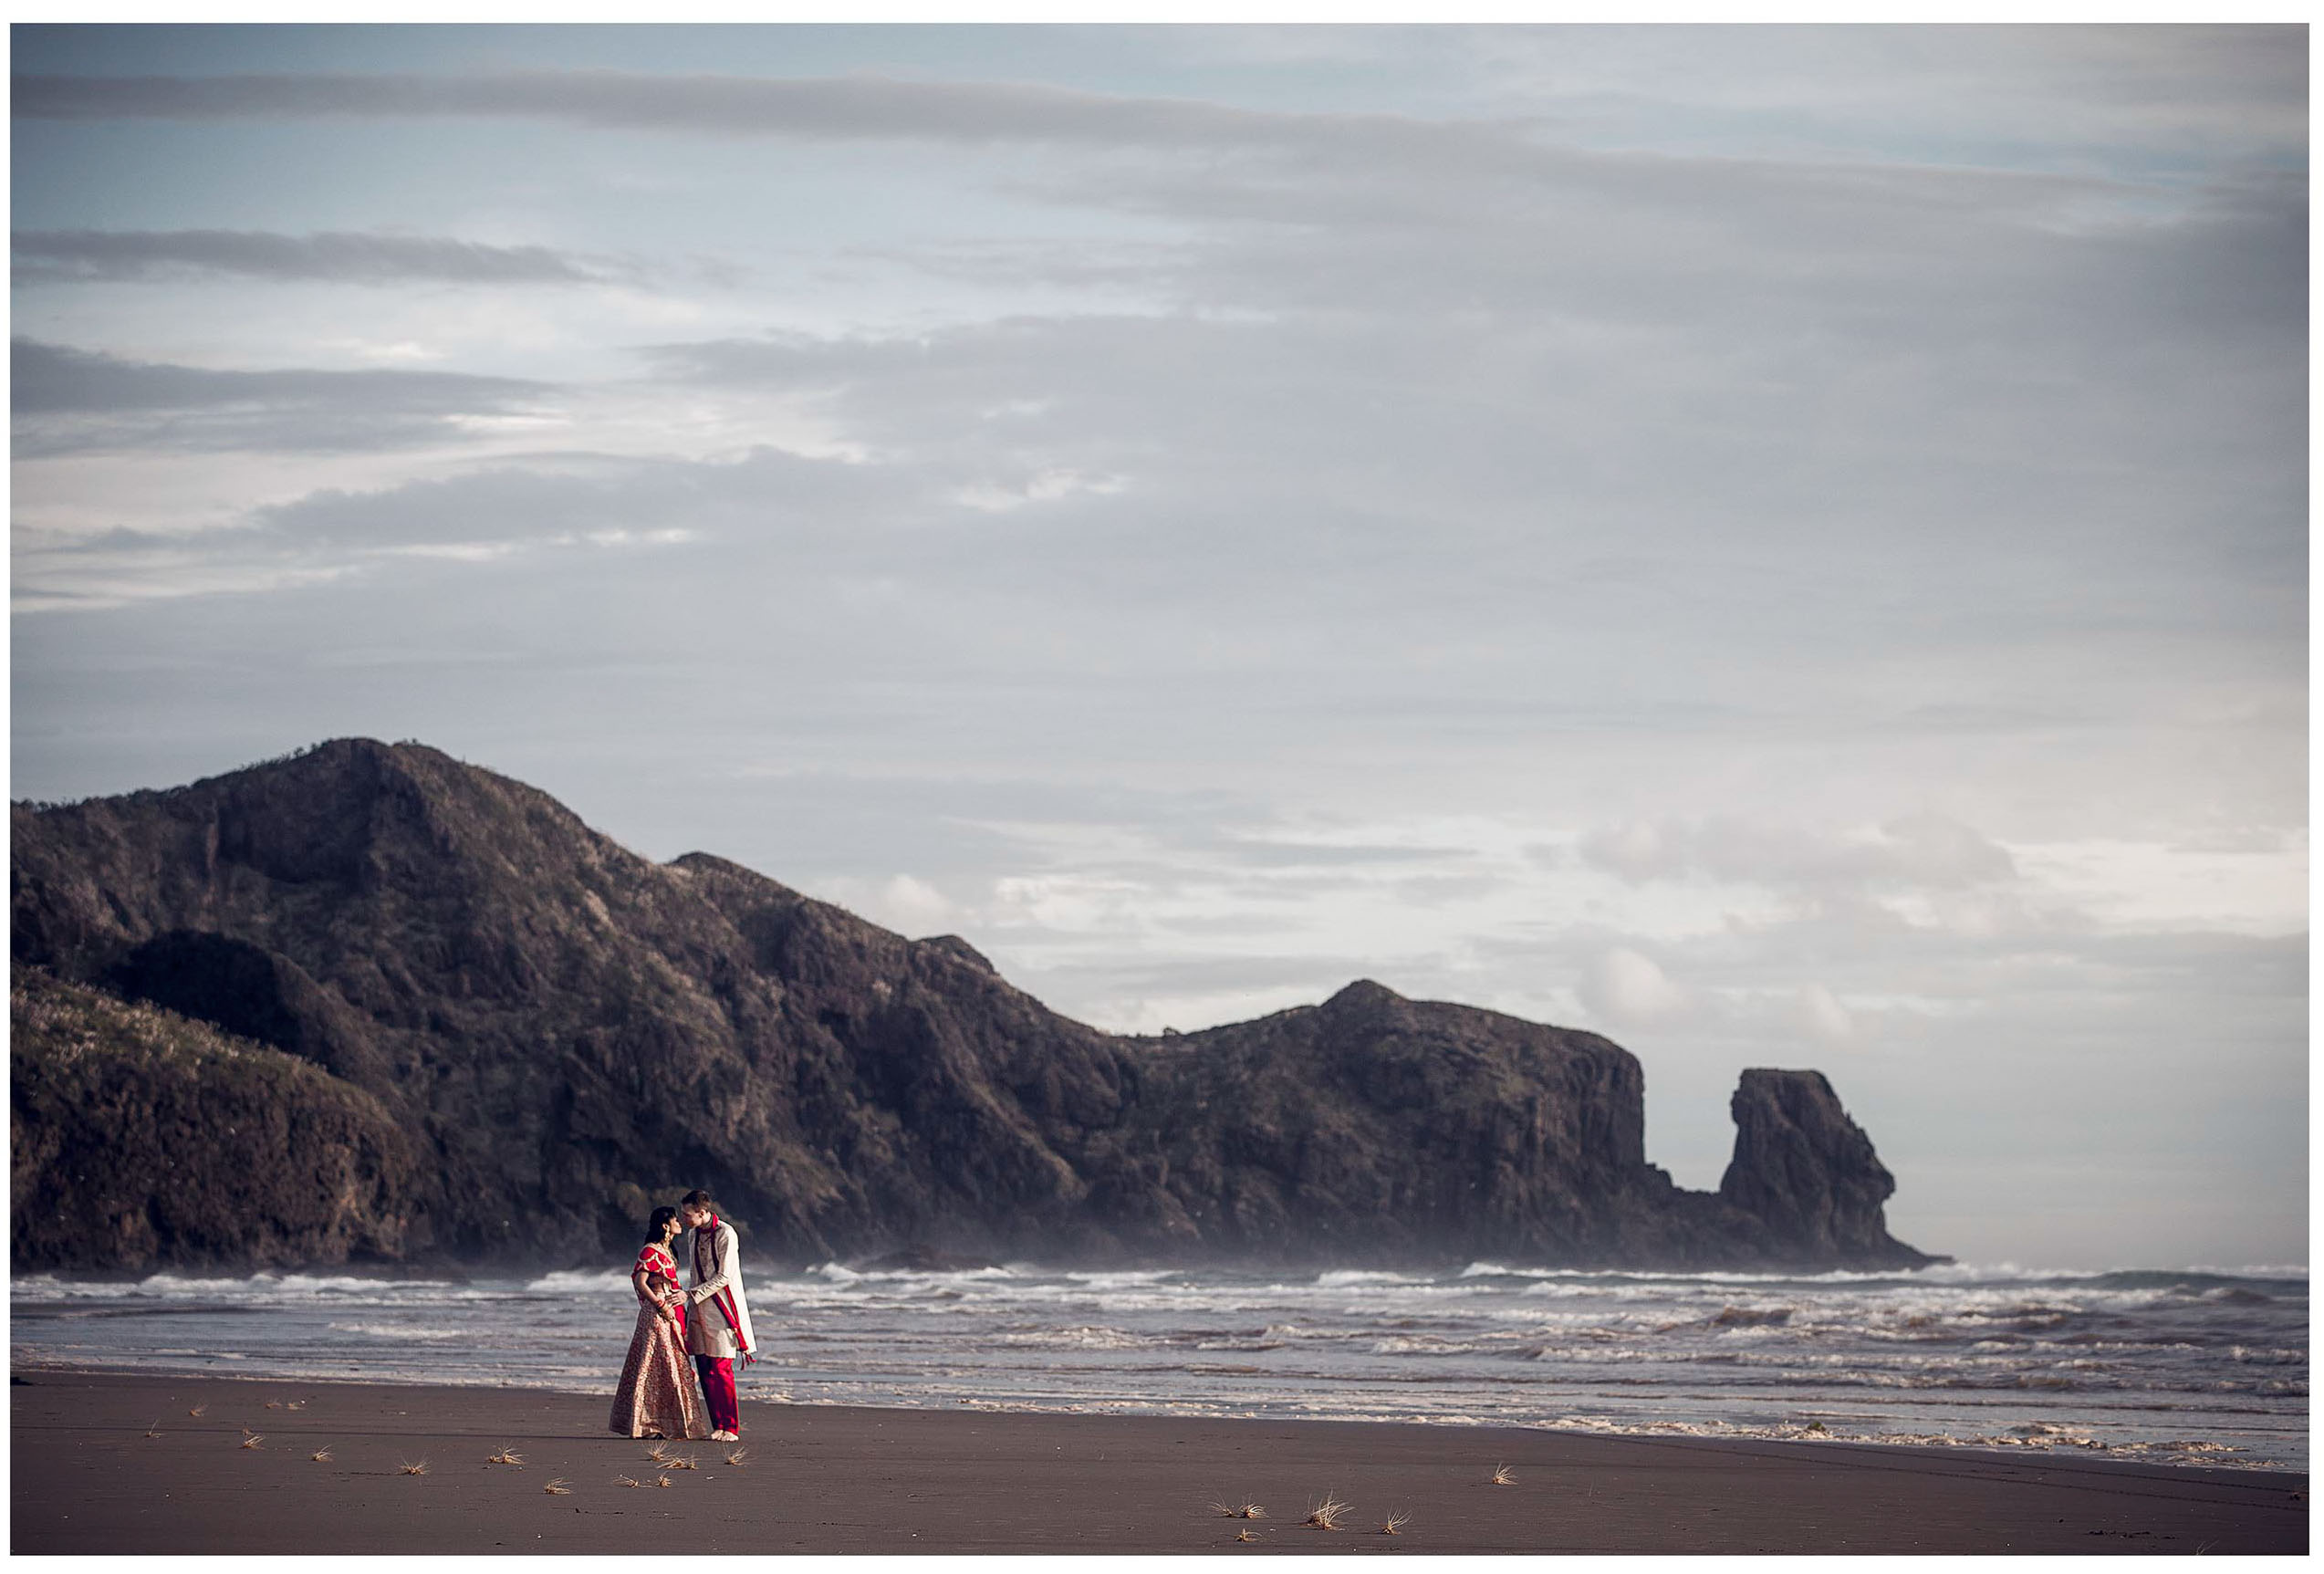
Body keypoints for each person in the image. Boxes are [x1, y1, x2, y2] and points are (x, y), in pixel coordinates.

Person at [609, 1205, 710, 1440]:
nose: (680, 1223)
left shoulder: (667, 1251)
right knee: (654, 1365)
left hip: (669, 1315)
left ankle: (668, 1425)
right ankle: (647, 1425)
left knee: (671, 1364)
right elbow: (640, 1282)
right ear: (665, 1225)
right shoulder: (650, 1251)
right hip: (656, 1315)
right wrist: (661, 1304)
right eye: (676, 1219)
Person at [678, 1189, 755, 1444]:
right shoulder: (692, 1234)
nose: (684, 1219)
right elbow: (694, 1273)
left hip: (722, 1310)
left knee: (722, 1369)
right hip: (697, 1309)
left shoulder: (726, 1233)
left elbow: (724, 1277)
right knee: (705, 1367)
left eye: (688, 1215)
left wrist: (690, 1295)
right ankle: (718, 1425)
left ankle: (731, 1427)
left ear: (703, 1212)